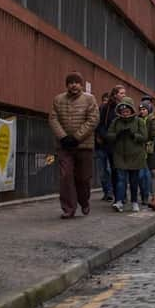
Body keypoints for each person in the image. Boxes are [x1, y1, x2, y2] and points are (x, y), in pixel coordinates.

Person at [48, 72, 100, 219]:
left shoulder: (90, 99)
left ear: (81, 85)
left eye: (76, 82)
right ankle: (68, 208)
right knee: (66, 176)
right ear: (67, 85)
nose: (73, 85)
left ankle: (84, 201)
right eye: (70, 82)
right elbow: (53, 118)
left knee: (83, 178)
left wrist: (77, 137)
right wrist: (63, 137)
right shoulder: (58, 99)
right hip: (64, 146)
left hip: (84, 145)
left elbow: (93, 120)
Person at [106, 97, 148, 213]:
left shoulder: (138, 121)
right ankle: (119, 201)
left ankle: (134, 202)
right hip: (120, 155)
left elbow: (144, 137)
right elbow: (109, 135)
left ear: (131, 110)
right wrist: (117, 135)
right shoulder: (116, 122)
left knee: (134, 180)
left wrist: (134, 135)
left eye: (127, 111)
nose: (125, 113)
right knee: (120, 179)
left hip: (135, 155)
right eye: (123, 111)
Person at [95, 85, 126, 201]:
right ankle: (108, 192)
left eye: (124, 93)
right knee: (106, 170)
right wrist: (106, 136)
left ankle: (118, 194)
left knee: (117, 170)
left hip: (118, 145)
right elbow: (99, 124)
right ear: (115, 94)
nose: (124, 95)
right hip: (105, 144)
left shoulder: (124, 108)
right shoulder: (105, 108)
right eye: (122, 93)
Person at [137, 101, 153, 205]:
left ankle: (146, 196)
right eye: (141, 109)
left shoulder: (151, 120)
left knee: (147, 175)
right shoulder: (137, 120)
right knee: (140, 176)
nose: (142, 111)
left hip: (149, 152)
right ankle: (143, 194)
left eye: (144, 109)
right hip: (139, 152)